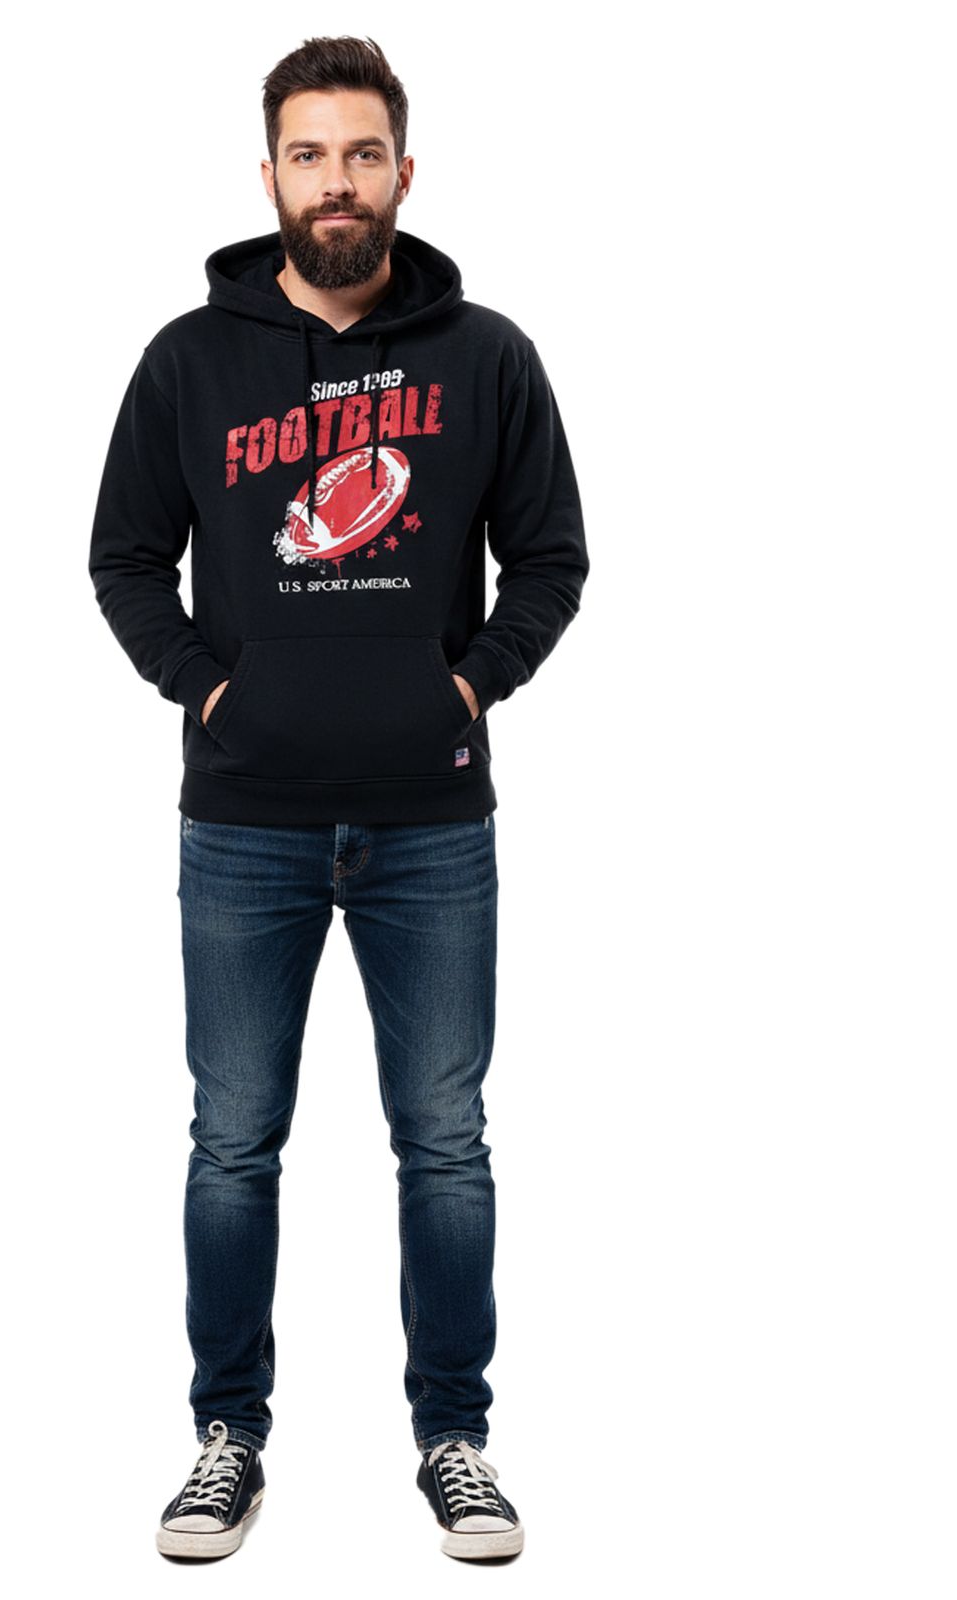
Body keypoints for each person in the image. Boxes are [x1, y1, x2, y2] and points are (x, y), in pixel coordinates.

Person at [88, 35, 588, 1563]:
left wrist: (469, 685)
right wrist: (205, 688)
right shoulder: (190, 362)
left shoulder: (485, 356)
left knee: (444, 1142)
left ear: (404, 173)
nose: (336, 183)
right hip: (242, 821)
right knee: (232, 1141)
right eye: (308, 155)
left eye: (361, 154)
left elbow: (550, 558)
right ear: (268, 178)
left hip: (431, 824)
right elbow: (124, 559)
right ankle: (225, 1439)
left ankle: (455, 1441)